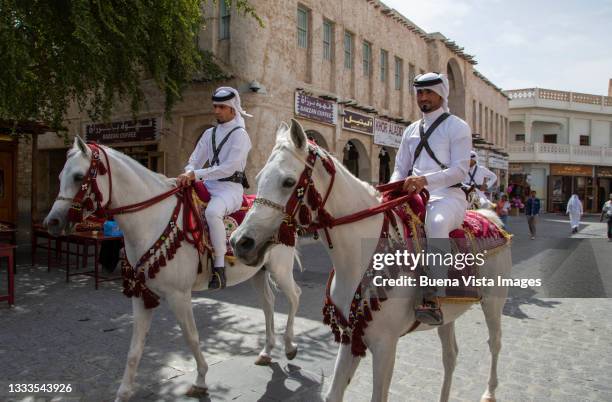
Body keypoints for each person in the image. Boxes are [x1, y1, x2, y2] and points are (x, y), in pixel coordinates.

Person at [390, 72, 472, 325]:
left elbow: (460, 170)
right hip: (413, 195)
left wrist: (425, 181)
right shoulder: (411, 130)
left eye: (428, 92)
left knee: (435, 224)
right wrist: (392, 188)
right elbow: (400, 167)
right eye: (419, 92)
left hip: (448, 196)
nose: (423, 97)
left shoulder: (457, 127)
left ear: (441, 94)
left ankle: (434, 296)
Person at [177, 87, 252, 289]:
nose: (217, 111)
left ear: (233, 110)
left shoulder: (241, 135)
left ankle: (219, 268)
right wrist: (189, 171)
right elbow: (194, 160)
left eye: (221, 107)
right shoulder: (209, 133)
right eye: (215, 106)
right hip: (208, 185)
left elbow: (230, 167)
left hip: (230, 189)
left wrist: (197, 174)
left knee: (212, 212)